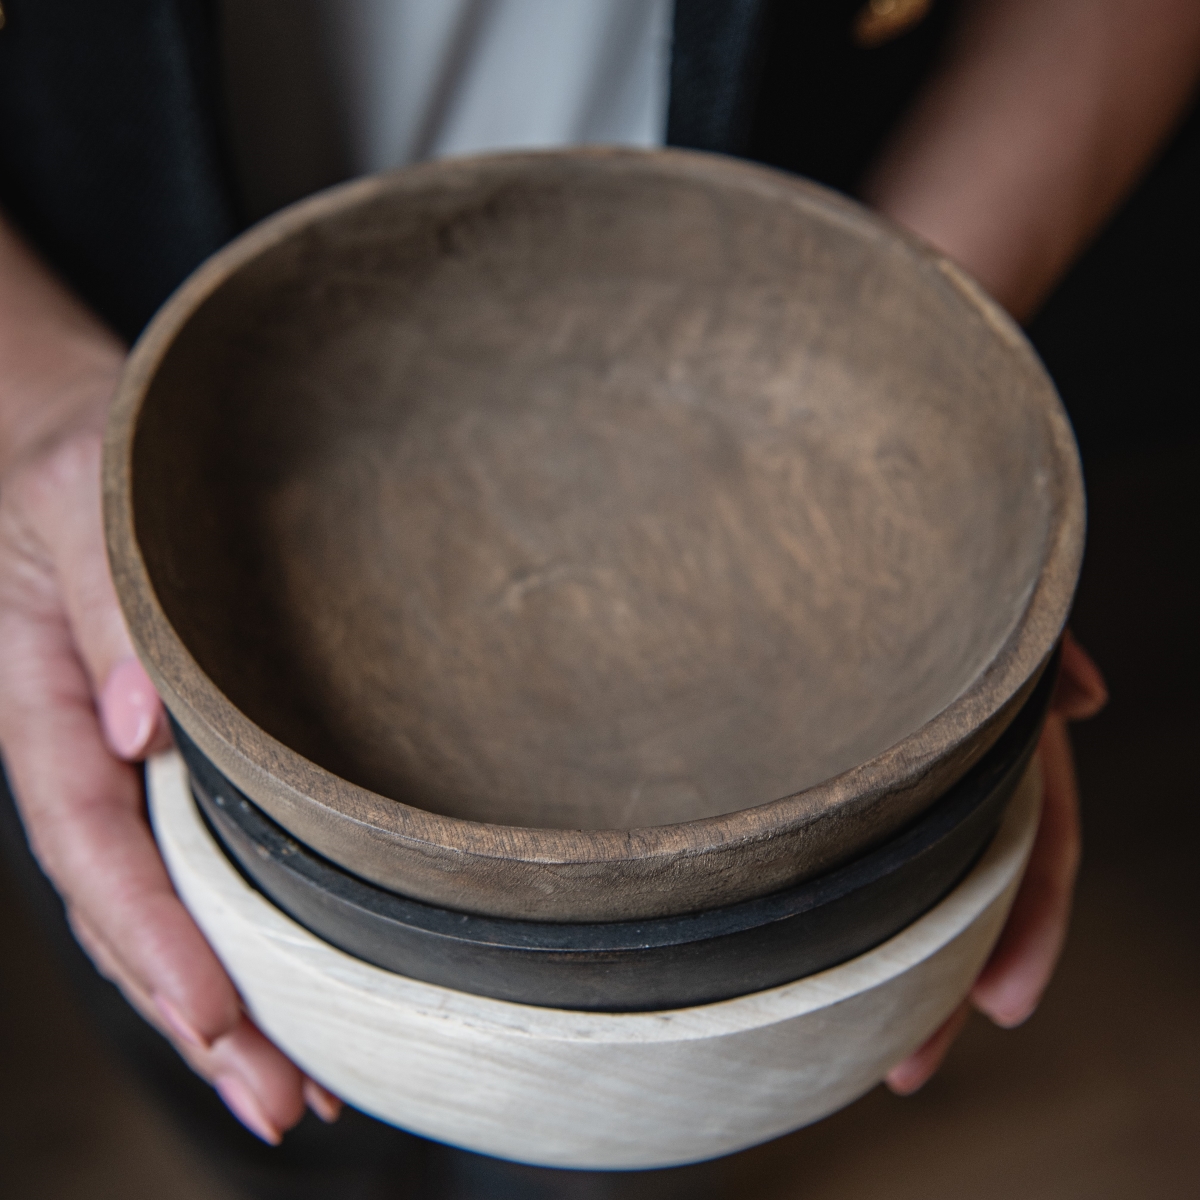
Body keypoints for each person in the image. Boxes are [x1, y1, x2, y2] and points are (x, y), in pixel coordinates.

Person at [0, 0, 1191, 1159]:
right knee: (263, 1115)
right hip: (131, 449)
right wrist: (36, 403)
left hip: (772, 383)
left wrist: (898, 352)